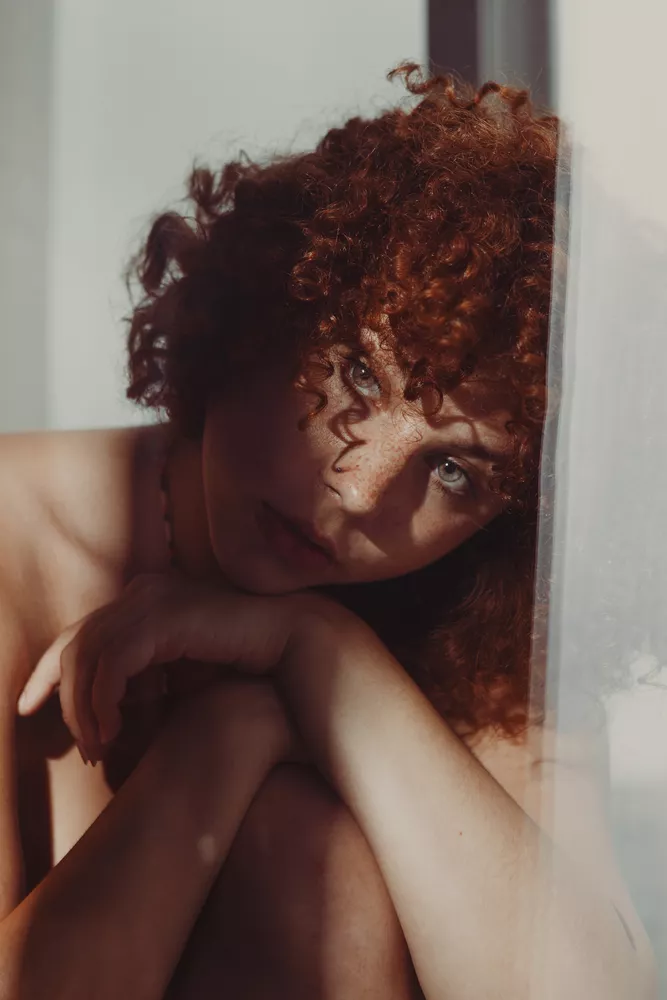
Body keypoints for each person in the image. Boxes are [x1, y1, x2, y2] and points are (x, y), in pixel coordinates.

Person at [0, 65, 656, 999]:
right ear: (261, 312)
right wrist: (225, 740)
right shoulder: (14, 534)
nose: (359, 491)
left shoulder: (480, 628)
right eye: (356, 377)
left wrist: (321, 656)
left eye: (455, 469)